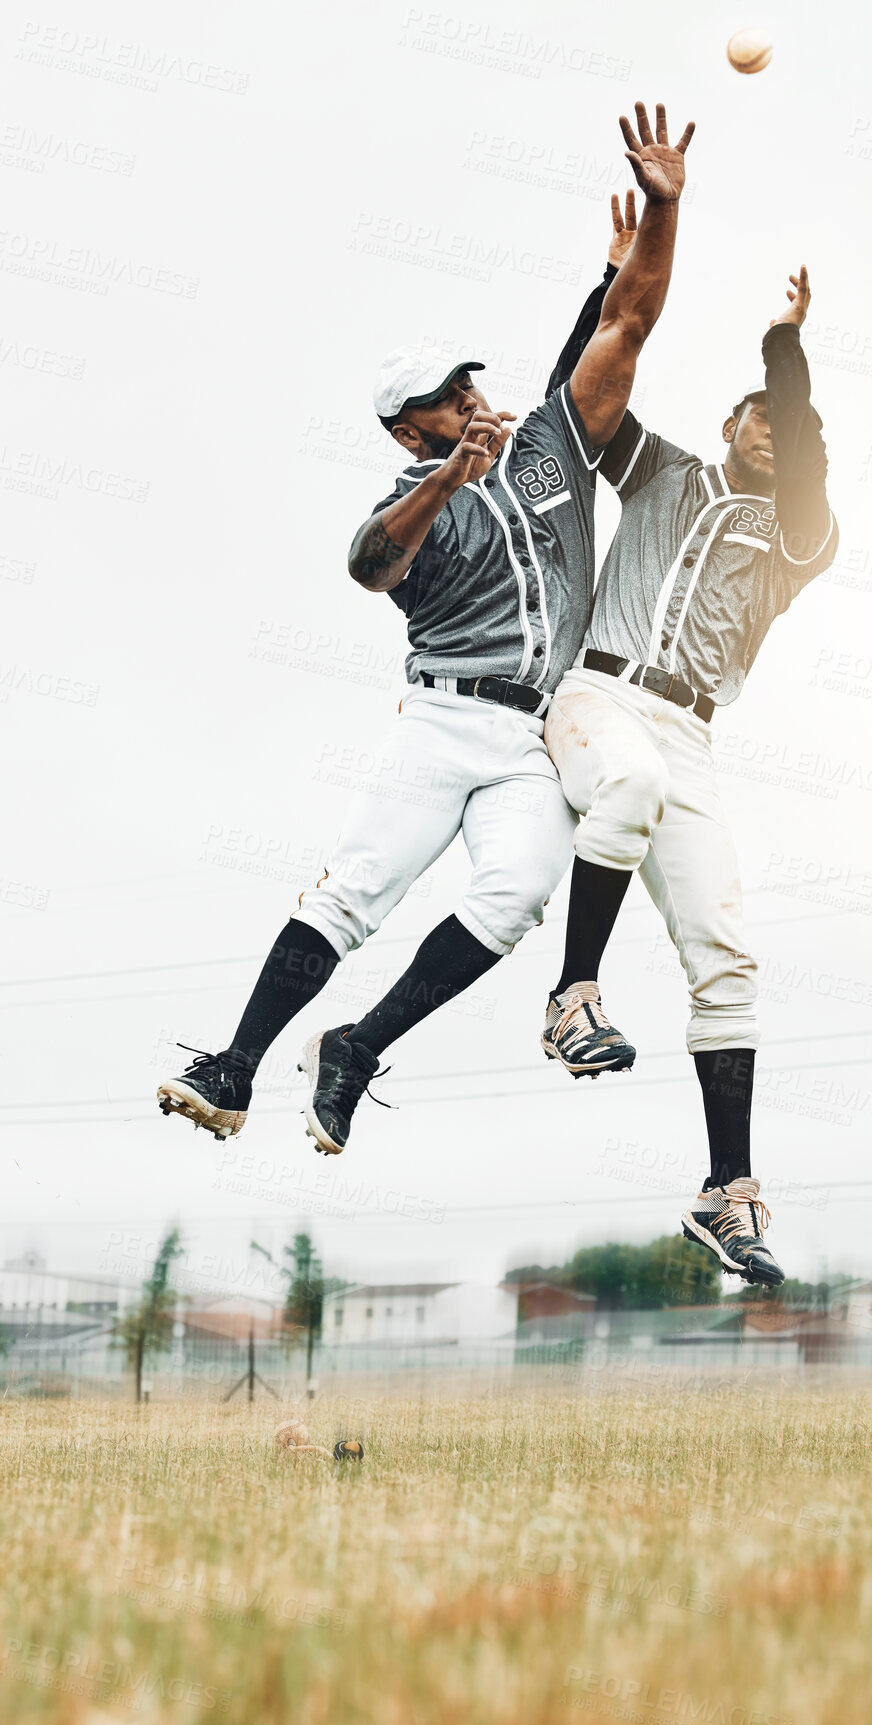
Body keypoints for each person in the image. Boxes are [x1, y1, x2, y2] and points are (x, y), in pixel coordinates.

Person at [157, 102, 694, 1156]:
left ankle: (357, 1046)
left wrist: (667, 210)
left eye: (468, 382)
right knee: (355, 892)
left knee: (519, 891)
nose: (470, 398)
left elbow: (627, 320)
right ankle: (235, 1067)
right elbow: (370, 567)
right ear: (410, 428)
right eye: (446, 399)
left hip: (527, 736)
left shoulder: (546, 445)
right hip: (442, 723)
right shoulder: (419, 490)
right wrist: (450, 473)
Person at [540, 262, 838, 1284]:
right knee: (624, 782)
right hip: (602, 693)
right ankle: (575, 993)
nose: (771, 427)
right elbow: (573, 411)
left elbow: (799, 433)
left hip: (693, 731)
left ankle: (728, 1191)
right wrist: (610, 286)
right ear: (724, 423)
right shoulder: (666, 470)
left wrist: (783, 347)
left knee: (729, 957)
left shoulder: (802, 534)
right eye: (756, 414)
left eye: (787, 424)